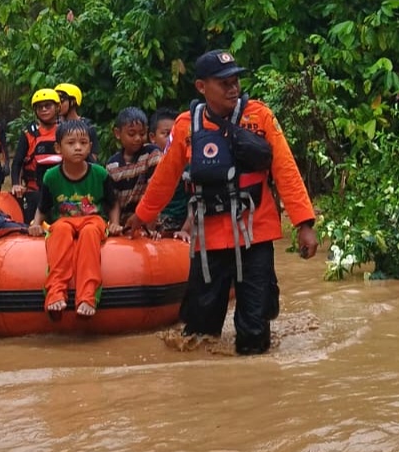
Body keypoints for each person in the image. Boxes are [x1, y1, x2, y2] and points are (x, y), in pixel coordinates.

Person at [125, 50, 319, 355]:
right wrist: (141, 216)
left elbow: (286, 170)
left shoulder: (260, 117)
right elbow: (165, 177)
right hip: (208, 240)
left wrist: (304, 224)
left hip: (256, 234)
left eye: (235, 81)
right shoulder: (185, 126)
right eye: (224, 83)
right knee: (198, 333)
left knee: (254, 334)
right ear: (202, 87)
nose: (233, 88)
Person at [29, 119, 122, 317]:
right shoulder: (51, 177)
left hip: (93, 220)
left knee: (89, 233)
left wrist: (115, 223)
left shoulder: (100, 173)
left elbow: (113, 203)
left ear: (90, 146)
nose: (78, 147)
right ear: (58, 148)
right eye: (71, 143)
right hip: (64, 220)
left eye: (83, 143)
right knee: (60, 230)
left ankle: (87, 297)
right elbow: (43, 207)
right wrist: (36, 224)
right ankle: (55, 293)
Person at [11, 88, 63, 224]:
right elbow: (17, 162)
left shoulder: (65, 131)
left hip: (63, 192)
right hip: (34, 191)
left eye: (48, 106)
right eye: (40, 107)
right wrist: (16, 184)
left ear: (57, 107)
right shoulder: (29, 133)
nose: (44, 109)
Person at [105, 107, 162, 226]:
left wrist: (148, 225)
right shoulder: (112, 165)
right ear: (117, 133)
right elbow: (113, 200)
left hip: (148, 221)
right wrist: (115, 224)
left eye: (142, 134)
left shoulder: (152, 153)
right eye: (131, 134)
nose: (137, 138)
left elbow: (153, 191)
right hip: (124, 224)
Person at [149, 107, 190, 237]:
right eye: (167, 134)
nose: (172, 140)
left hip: (182, 226)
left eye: (175, 135)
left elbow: (197, 202)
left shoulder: (189, 165)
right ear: (152, 137)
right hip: (153, 227)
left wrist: (185, 230)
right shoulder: (147, 163)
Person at [54, 82, 99, 159]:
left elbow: (93, 157)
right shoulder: (54, 126)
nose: (58, 106)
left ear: (73, 102)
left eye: (61, 101)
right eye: (55, 103)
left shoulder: (88, 127)